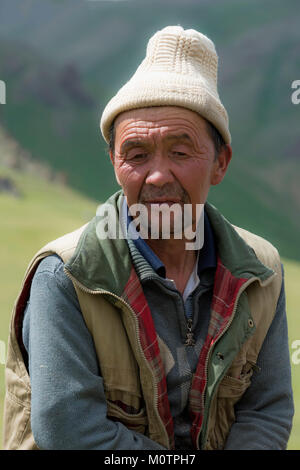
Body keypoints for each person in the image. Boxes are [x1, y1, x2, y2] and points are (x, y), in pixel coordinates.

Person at [3, 25, 294, 450]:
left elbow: (265, 411)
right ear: (114, 163)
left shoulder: (261, 271)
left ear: (220, 162)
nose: (157, 176)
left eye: (180, 152)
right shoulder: (67, 276)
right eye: (136, 155)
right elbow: (71, 431)